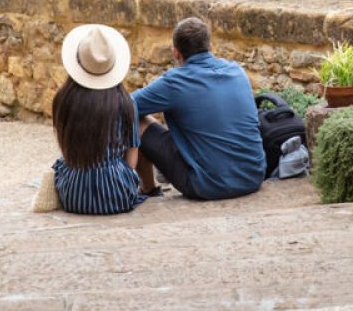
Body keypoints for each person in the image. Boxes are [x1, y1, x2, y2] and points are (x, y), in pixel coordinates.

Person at [132, 16, 265, 201]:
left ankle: (148, 188)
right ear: (210, 47)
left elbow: (124, 105)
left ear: (175, 53)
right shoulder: (237, 71)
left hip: (207, 186)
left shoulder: (174, 82)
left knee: (137, 119)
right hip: (253, 178)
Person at [49, 24, 146, 216]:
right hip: (117, 195)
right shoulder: (126, 102)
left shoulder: (63, 99)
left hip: (74, 196)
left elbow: (66, 149)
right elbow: (132, 156)